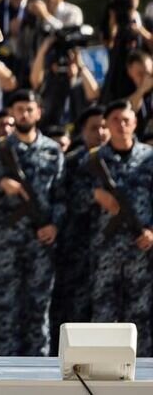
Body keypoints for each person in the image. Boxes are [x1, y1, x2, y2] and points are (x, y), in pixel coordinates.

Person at [0, 90, 64, 356]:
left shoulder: (52, 151)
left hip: (41, 243)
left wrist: (55, 225)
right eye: (19, 109)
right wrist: (1, 186)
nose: (24, 114)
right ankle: (7, 374)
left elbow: (61, 196)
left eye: (29, 109)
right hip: (7, 244)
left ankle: (39, 374)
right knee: (7, 311)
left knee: (38, 312)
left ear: (38, 112)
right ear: (11, 113)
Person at [88, 100, 153, 355]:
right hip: (106, 251)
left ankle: (144, 382)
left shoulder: (149, 159)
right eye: (115, 120)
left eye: (126, 120)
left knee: (141, 317)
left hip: (141, 251)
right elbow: (70, 198)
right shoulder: (93, 160)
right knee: (104, 315)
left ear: (135, 123)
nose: (121, 125)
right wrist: (95, 195)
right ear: (107, 124)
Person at [51, 104, 109, 332]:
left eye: (105, 127)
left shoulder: (125, 158)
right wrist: (92, 196)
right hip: (77, 250)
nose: (101, 133)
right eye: (94, 128)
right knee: (75, 315)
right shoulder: (72, 162)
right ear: (83, 132)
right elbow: (64, 200)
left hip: (112, 250)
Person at [30, 35, 100, 131]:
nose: (66, 66)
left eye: (70, 62)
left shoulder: (81, 85)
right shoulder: (48, 84)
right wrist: (43, 50)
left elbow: (94, 94)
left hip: (76, 137)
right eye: (62, 63)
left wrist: (80, 65)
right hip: (51, 134)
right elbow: (35, 81)